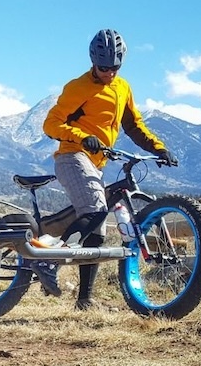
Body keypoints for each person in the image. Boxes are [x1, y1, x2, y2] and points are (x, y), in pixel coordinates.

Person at [40, 28, 178, 309]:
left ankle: (85, 300)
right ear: (93, 62)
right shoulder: (78, 87)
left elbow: (134, 126)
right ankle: (47, 261)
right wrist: (81, 137)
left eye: (115, 67)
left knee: (97, 232)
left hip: (96, 162)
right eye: (104, 68)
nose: (109, 73)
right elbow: (50, 124)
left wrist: (158, 148)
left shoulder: (123, 88)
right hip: (72, 156)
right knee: (95, 211)